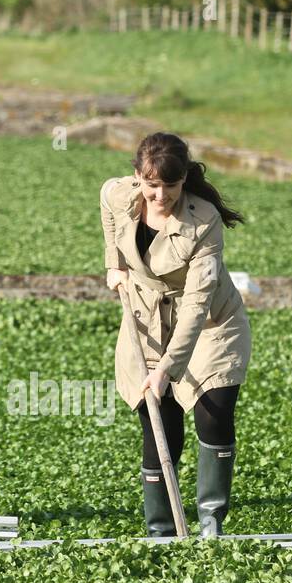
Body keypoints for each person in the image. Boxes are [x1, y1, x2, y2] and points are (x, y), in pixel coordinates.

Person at [99, 132, 251, 537]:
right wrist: (114, 263)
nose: (160, 195)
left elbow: (198, 304)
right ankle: (161, 532)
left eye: (170, 185)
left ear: (184, 179)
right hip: (147, 319)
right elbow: (105, 198)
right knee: (158, 423)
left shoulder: (204, 222)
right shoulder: (122, 195)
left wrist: (167, 368)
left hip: (210, 324)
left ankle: (209, 526)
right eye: (151, 186)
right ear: (138, 177)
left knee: (212, 414)